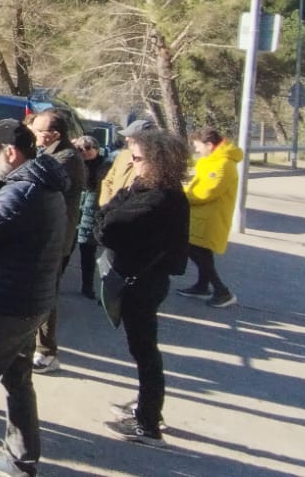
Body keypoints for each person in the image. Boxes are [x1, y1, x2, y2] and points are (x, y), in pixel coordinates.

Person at [0, 120, 68, 477]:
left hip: (6, 307)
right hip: (29, 302)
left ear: (10, 152)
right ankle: (21, 459)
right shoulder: (40, 184)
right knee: (17, 380)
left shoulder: (22, 193)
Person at [98, 129, 191, 446]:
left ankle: (148, 423)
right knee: (142, 349)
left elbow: (107, 229)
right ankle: (147, 407)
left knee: (144, 350)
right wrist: (107, 216)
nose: (132, 163)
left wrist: (106, 218)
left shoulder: (160, 198)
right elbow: (107, 212)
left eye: (137, 158)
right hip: (140, 278)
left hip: (143, 283)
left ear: (158, 161)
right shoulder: (145, 187)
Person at [30, 110, 85, 374]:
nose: (33, 134)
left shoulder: (67, 158)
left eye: (37, 131)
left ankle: (47, 351)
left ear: (54, 135)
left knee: (46, 293)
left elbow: (37, 180)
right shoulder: (48, 153)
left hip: (56, 237)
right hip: (45, 233)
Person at [179, 127, 241, 308]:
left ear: (209, 144)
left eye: (198, 146)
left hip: (210, 218)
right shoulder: (211, 161)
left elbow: (206, 193)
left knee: (196, 251)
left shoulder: (223, 164)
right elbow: (197, 187)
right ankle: (202, 286)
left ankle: (222, 291)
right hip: (200, 216)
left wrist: (180, 195)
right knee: (202, 252)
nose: (196, 150)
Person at [72, 136, 107, 299]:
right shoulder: (74, 163)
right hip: (75, 211)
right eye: (80, 149)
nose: (84, 151)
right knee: (66, 251)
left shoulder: (104, 166)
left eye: (88, 148)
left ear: (96, 149)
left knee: (88, 252)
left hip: (91, 213)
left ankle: (88, 287)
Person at [99, 119, 153, 206]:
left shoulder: (155, 161)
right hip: (110, 209)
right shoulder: (123, 155)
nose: (126, 139)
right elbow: (107, 181)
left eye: (130, 136)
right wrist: (106, 205)